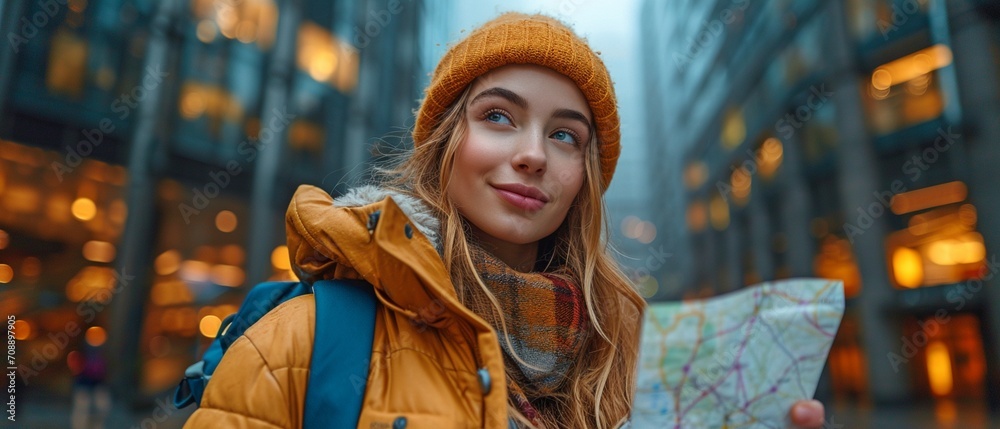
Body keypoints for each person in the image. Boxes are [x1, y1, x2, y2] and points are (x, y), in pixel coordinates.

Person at [183, 12, 827, 428]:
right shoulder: (303, 341)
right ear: (444, 143)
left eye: (566, 136)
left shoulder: (639, 369)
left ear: (585, 180)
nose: (532, 154)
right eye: (498, 116)